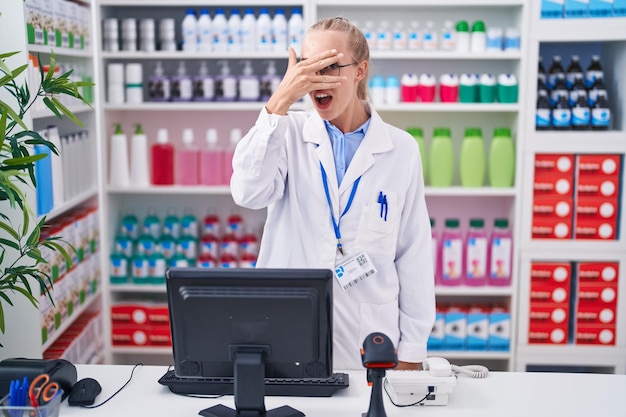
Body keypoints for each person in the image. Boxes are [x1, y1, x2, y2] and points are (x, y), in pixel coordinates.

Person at [230, 17, 435, 371]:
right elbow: (248, 192)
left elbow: (413, 254)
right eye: (308, 68)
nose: (317, 80)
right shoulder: (286, 133)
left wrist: (413, 350)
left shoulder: (400, 148)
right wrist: (279, 100)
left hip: (370, 339)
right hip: (285, 331)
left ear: (360, 71)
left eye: (330, 67)